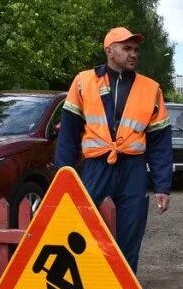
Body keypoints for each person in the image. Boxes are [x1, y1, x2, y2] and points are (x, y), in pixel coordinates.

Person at [55, 27, 172, 274]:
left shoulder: (151, 88)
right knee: (83, 230)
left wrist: (162, 186)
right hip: (96, 167)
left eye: (135, 50)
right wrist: (62, 178)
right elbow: (68, 135)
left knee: (130, 234)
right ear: (109, 51)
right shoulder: (83, 82)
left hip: (133, 169)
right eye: (126, 48)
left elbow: (160, 141)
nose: (133, 54)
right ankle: (88, 284)